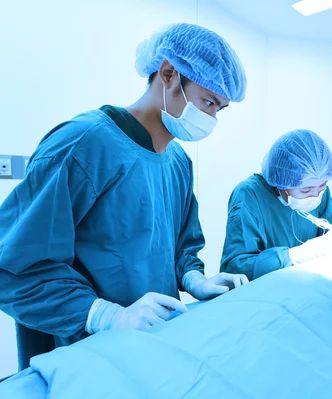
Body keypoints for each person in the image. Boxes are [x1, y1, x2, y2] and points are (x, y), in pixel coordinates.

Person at [0, 23, 249, 370]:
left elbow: (179, 247)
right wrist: (105, 315)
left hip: (149, 349)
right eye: (208, 102)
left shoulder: (177, 163)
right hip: (81, 358)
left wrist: (194, 279)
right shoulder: (84, 144)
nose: (211, 118)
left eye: (219, 109)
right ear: (168, 74)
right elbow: (13, 267)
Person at [220, 129, 332, 280]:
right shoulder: (249, 195)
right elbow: (236, 269)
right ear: (282, 182)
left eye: (322, 186)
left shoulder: (318, 191)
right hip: (265, 294)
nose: (315, 195)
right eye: (306, 190)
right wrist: (295, 256)